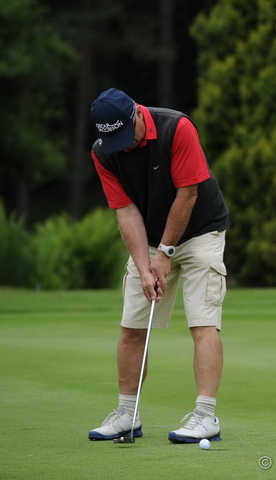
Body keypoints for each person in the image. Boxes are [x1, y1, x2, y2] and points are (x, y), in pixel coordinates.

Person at [87, 88, 229, 443]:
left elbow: (188, 193)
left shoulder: (175, 128)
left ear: (137, 113)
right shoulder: (103, 152)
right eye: (115, 141)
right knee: (132, 326)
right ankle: (127, 414)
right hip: (149, 237)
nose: (125, 147)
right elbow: (125, 211)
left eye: (127, 135)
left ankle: (205, 416)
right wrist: (144, 265)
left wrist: (164, 255)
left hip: (200, 231)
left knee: (202, 323)